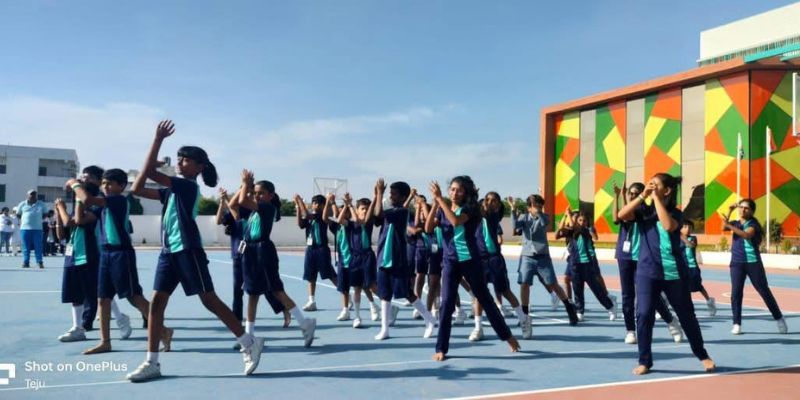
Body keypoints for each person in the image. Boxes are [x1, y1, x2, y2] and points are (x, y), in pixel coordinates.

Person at [125, 120, 263, 382]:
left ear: (200, 167)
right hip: (169, 252)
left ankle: (248, 342)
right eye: (179, 158)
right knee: (156, 304)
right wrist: (152, 163)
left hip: (188, 250)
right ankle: (151, 362)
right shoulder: (170, 192)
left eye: (186, 159)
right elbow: (137, 189)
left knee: (209, 300)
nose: (180, 161)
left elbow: (150, 174)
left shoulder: (187, 186)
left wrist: (157, 140)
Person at [618, 173, 714, 375]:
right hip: (647, 272)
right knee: (644, 314)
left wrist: (655, 199)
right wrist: (642, 196)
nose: (650, 186)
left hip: (674, 273)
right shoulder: (644, 211)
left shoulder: (676, 213)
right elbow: (622, 215)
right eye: (649, 183)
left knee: (686, 316)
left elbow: (668, 226)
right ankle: (645, 361)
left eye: (655, 184)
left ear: (667, 190)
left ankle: (702, 355)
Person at [67, 169, 172, 355]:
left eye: (110, 184)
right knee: (102, 299)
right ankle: (105, 342)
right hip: (105, 254)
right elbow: (80, 219)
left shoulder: (119, 200)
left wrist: (75, 184)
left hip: (121, 254)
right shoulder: (103, 204)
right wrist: (78, 198)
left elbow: (88, 199)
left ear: (121, 186)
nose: (105, 187)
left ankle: (163, 330)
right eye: (104, 183)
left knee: (133, 297)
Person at [425, 176, 520, 361]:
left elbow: (455, 221)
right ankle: (441, 348)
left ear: (466, 192)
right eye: (452, 189)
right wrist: (436, 204)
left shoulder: (471, 209)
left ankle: (508, 337)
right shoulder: (443, 208)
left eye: (459, 190)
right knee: (446, 304)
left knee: (486, 300)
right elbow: (428, 228)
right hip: (450, 262)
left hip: (471, 262)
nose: (454, 193)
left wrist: (439, 199)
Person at [235, 171, 316, 347]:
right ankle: (249, 335)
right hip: (249, 252)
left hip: (262, 251)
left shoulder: (267, 207)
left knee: (276, 290)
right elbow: (236, 203)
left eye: (261, 193)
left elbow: (242, 201)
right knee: (252, 294)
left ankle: (304, 323)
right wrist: (246, 187)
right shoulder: (254, 211)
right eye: (255, 193)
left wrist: (245, 184)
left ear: (270, 195)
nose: (257, 196)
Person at [613, 182, 684, 344]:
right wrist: (618, 196)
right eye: (630, 193)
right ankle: (630, 330)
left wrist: (643, 197)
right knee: (627, 294)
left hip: (644, 258)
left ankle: (670, 321)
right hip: (625, 256)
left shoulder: (647, 211)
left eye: (636, 192)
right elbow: (618, 217)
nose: (633, 195)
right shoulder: (630, 209)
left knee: (651, 295)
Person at [373, 179, 436, 340]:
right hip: (383, 258)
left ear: (402, 197)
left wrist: (379, 193)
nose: (390, 196)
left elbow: (379, 213)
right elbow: (375, 216)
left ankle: (429, 319)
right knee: (384, 293)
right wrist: (377, 196)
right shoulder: (392, 210)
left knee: (407, 292)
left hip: (397, 259)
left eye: (393, 194)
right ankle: (385, 328)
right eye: (390, 193)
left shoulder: (401, 212)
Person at [510, 194, 578, 332]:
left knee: (553, 284)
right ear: (529, 207)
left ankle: (569, 307)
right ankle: (524, 315)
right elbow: (515, 226)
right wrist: (512, 210)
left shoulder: (544, 217)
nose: (539, 208)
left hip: (543, 257)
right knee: (524, 284)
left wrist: (539, 213)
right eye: (536, 206)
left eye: (541, 206)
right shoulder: (524, 218)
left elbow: (542, 224)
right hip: (527, 256)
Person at [470, 192, 530, 342]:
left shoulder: (494, 216)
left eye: (493, 200)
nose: (489, 202)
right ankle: (478, 328)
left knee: (505, 291)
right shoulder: (475, 217)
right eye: (487, 199)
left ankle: (524, 319)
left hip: (495, 260)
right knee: (479, 294)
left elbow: (486, 210)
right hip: (479, 261)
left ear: (498, 205)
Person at [722, 199, 787, 335]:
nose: (742, 210)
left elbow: (746, 235)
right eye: (741, 207)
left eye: (746, 208)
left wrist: (729, 225)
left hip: (753, 263)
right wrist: (729, 210)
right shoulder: (735, 223)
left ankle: (779, 318)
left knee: (763, 291)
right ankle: (737, 323)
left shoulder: (753, 224)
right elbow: (723, 227)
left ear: (752, 211)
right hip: (737, 263)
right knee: (736, 294)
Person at [556, 211, 616, 322]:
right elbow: (559, 233)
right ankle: (580, 311)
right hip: (575, 264)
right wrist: (565, 216)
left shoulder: (586, 231)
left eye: (584, 220)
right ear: (576, 221)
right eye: (580, 220)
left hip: (587, 264)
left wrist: (569, 215)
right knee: (577, 290)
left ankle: (610, 307)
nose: (582, 222)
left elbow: (576, 228)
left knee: (596, 289)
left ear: (587, 222)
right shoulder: (571, 231)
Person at [294, 194, 339, 311]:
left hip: (321, 249)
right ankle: (311, 301)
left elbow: (306, 215)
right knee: (310, 276)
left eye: (318, 203)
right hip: (310, 249)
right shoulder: (310, 217)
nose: (315, 205)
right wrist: (297, 207)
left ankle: (346, 296)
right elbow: (300, 224)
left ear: (324, 205)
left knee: (330, 274)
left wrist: (300, 201)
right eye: (314, 203)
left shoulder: (321, 216)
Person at [679, 221, 716, 317]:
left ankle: (709, 301)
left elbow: (691, 245)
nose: (687, 229)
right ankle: (667, 307)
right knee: (680, 287)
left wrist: (682, 238)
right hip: (682, 267)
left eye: (690, 227)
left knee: (698, 287)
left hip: (693, 267)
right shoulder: (676, 238)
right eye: (685, 227)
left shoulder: (693, 238)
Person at [17, 189, 46, 268]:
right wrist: (26, 220)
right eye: (31, 194)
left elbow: (45, 214)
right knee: (25, 246)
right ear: (27, 195)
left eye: (34, 194)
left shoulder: (41, 204)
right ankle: (26, 262)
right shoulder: (22, 204)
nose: (33, 195)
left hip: (38, 229)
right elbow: (18, 214)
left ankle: (39, 262)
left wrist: (37, 219)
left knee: (38, 246)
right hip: (25, 229)